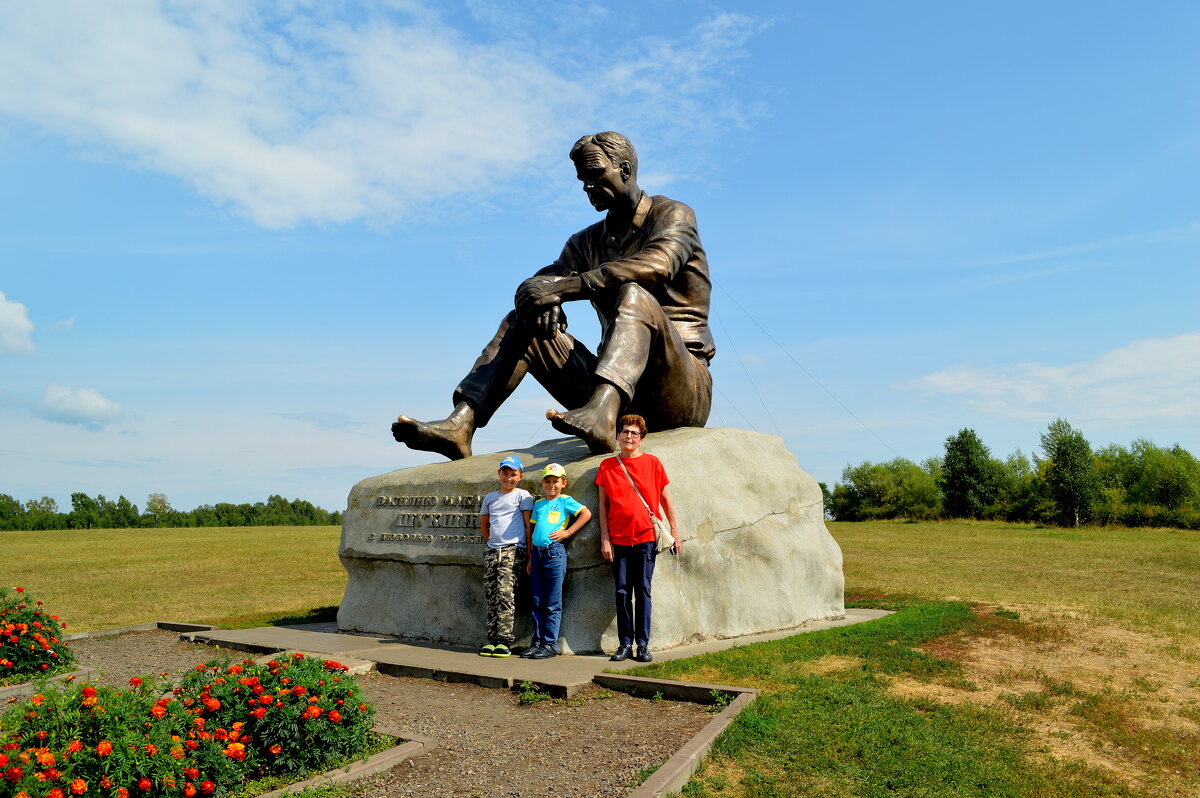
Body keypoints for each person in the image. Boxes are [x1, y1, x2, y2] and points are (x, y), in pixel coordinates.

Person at [392, 131, 715, 459]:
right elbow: (542, 280)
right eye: (582, 179)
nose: (587, 186)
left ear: (626, 170)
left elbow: (659, 265)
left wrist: (560, 290)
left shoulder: (672, 214)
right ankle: (461, 425)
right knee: (525, 317)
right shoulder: (585, 241)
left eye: (595, 174)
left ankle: (602, 414)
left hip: (681, 387)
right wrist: (540, 298)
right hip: (614, 383)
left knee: (634, 293)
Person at [595, 414, 680, 663]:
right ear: (618, 435)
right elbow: (603, 508)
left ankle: (642, 644)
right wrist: (605, 539)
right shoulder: (607, 466)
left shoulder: (653, 463)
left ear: (642, 439)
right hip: (618, 540)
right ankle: (624, 644)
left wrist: (675, 533)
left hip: (644, 539)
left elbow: (666, 501)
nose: (629, 436)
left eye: (634, 433)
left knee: (643, 591)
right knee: (621, 592)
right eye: (625, 432)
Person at [522, 463, 592, 659]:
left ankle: (549, 644)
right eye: (548, 481)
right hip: (537, 555)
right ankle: (537, 642)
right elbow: (533, 530)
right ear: (543, 483)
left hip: (554, 554)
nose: (551, 485)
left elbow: (586, 514)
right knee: (537, 600)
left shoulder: (565, 501)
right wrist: (529, 557)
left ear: (563, 483)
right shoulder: (538, 504)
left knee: (552, 602)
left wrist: (568, 532)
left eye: (555, 481)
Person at [478, 455, 534, 657]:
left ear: (520, 476)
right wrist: (491, 543)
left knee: (505, 594)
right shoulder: (490, 498)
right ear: (499, 473)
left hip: (513, 550)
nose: (508, 478)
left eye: (513, 474)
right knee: (491, 594)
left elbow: (528, 526)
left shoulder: (523, 495)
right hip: (492, 551)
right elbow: (485, 524)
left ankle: (504, 640)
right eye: (505, 473)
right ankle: (491, 639)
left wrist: (528, 553)